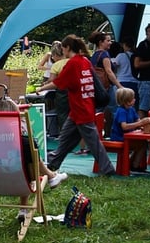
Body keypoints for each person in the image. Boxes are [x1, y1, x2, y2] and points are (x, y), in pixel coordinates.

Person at [38, 34, 115, 176]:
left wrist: (41, 89)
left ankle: (107, 168)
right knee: (66, 139)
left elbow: (58, 82)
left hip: (80, 109)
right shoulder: (85, 61)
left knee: (93, 142)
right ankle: (52, 163)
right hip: (82, 107)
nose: (62, 51)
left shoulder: (72, 63)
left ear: (67, 48)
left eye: (63, 48)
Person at [0, 98, 67, 220]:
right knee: (27, 161)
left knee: (24, 163)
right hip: (20, 176)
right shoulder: (24, 142)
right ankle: (51, 176)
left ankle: (23, 210)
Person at [111, 87, 150, 172]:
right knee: (141, 144)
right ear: (127, 101)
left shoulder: (131, 109)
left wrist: (146, 123)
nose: (134, 100)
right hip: (119, 138)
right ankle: (133, 165)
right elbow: (124, 126)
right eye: (132, 98)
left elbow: (138, 120)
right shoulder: (121, 111)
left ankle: (132, 164)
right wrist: (140, 123)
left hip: (128, 137)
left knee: (144, 142)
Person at [89, 31, 122, 134]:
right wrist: (119, 86)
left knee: (98, 110)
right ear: (101, 42)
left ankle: (94, 134)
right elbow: (109, 72)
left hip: (98, 87)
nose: (110, 42)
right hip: (107, 87)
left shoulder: (94, 55)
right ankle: (119, 133)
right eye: (108, 40)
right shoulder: (104, 54)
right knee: (116, 110)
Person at [114, 38, 139, 105]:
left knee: (121, 104)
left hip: (122, 82)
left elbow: (114, 66)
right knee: (133, 104)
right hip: (134, 82)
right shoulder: (136, 56)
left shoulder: (121, 56)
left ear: (124, 45)